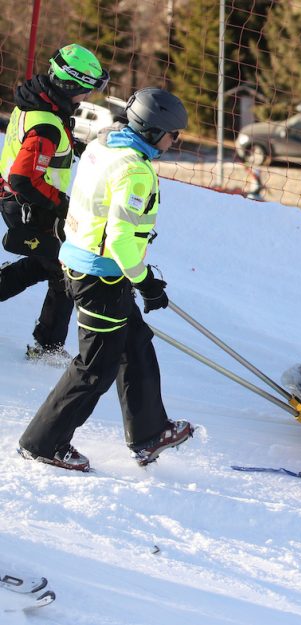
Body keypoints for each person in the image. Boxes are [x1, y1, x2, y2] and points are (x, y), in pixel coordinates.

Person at [17, 88, 194, 472]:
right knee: (95, 367)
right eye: (172, 133)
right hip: (101, 276)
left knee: (135, 342)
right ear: (150, 131)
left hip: (85, 262)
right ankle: (43, 442)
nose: (175, 140)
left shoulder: (105, 145)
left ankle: (150, 433)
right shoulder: (135, 170)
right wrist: (145, 281)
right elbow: (120, 241)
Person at [0, 44, 108, 361]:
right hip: (28, 204)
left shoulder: (36, 103)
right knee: (65, 269)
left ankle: (47, 344)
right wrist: (61, 204)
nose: (87, 97)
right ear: (69, 85)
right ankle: (47, 348)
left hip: (22, 199)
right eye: (86, 90)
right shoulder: (46, 124)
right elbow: (25, 178)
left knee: (43, 265)